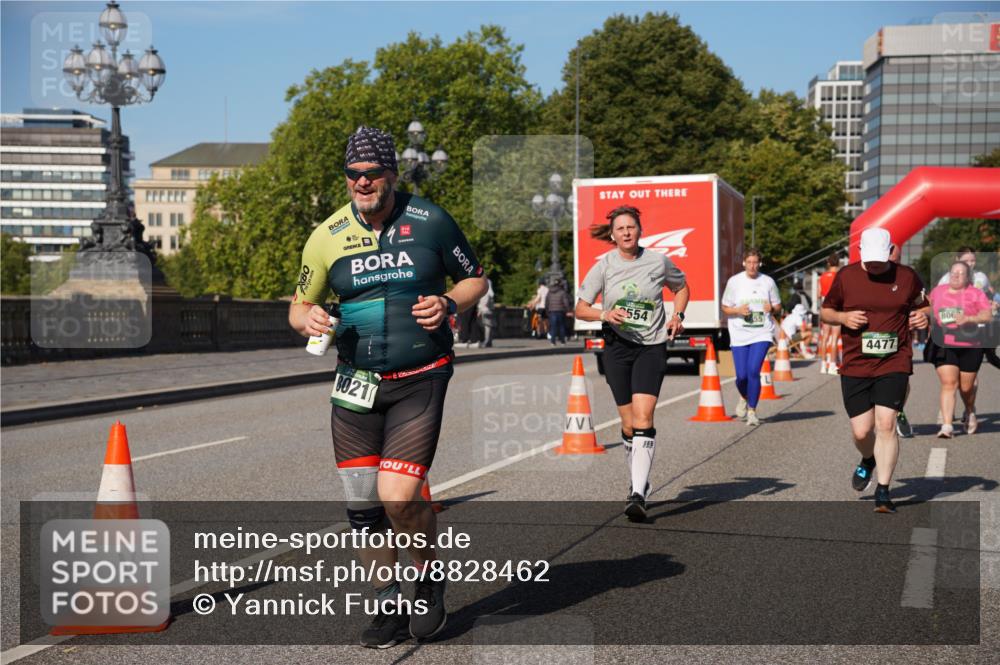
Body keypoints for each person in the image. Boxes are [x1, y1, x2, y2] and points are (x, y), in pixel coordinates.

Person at [288, 126, 487, 648]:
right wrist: (307, 319)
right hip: (355, 385)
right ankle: (387, 601)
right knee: (362, 508)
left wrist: (449, 302)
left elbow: (476, 278)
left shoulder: (431, 220)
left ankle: (427, 579)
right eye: (353, 174)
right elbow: (298, 304)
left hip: (420, 376)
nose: (362, 182)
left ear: (392, 174)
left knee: (398, 497)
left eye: (372, 173)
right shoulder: (326, 235)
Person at [575, 205, 689, 522]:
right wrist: (604, 314)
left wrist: (678, 315)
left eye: (631, 227)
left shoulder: (658, 262)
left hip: (651, 347)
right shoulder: (603, 266)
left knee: (643, 417)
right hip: (617, 348)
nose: (626, 232)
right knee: (627, 425)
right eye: (621, 228)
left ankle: (638, 493)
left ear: (640, 231)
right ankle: (639, 480)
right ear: (613, 235)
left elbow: (681, 287)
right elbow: (580, 308)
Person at [821, 228, 929, 514]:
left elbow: (926, 306)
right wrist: (843, 317)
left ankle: (883, 490)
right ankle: (868, 459)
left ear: (890, 251)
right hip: (856, 363)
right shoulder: (847, 276)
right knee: (861, 432)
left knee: (886, 424)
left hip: (894, 361)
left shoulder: (906, 277)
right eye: (869, 261)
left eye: (880, 260)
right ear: (860, 253)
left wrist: (921, 317)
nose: (874, 266)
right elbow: (826, 312)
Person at [928, 260, 994, 437]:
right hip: (944, 343)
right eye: (953, 272)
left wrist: (968, 319)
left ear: (968, 277)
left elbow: (987, 315)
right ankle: (947, 426)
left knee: (966, 388)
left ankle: (970, 410)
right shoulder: (938, 291)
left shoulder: (976, 293)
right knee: (949, 383)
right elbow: (927, 307)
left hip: (970, 345)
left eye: (961, 273)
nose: (956, 276)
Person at [721, 248, 783, 427]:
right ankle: (744, 396)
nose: (752, 266)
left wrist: (772, 308)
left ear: (760, 264)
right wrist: (738, 310)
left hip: (762, 332)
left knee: (753, 371)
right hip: (739, 333)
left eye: (755, 262)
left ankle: (752, 411)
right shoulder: (734, 281)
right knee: (741, 376)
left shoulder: (768, 282)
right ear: (743, 263)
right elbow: (725, 307)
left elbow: (778, 306)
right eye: (749, 262)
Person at [818, 252, 842, 375]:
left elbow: (819, 294)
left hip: (825, 307)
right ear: (838, 263)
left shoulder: (822, 277)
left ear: (828, 263)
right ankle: (832, 365)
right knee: (834, 338)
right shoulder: (840, 276)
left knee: (825, 337)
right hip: (836, 307)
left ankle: (823, 365)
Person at [545, 278, 572, 345]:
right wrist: (568, 310)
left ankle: (552, 341)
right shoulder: (562, 292)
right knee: (561, 326)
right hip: (560, 311)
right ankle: (562, 341)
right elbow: (566, 302)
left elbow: (547, 302)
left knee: (553, 326)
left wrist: (547, 310)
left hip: (552, 311)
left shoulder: (549, 292)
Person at [477, 276, 496, 348]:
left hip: (485, 311)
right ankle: (489, 341)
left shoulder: (486, 293)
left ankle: (486, 341)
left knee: (487, 327)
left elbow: (484, 303)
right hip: (489, 310)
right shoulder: (490, 293)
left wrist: (479, 310)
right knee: (489, 326)